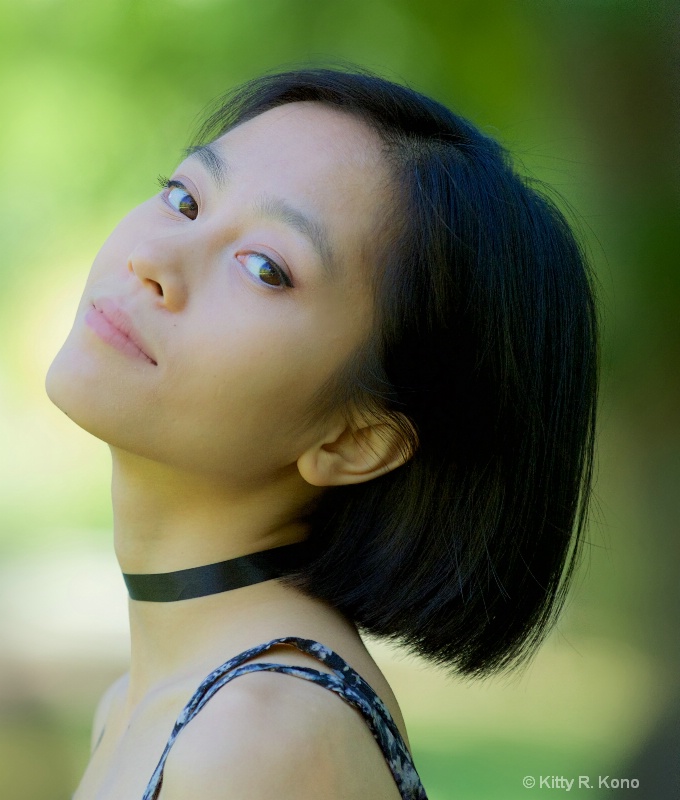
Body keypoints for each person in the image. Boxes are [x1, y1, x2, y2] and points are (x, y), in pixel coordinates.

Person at [45, 66, 598, 800]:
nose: (152, 261)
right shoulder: (146, 704)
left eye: (266, 267)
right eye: (185, 199)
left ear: (354, 440)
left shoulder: (257, 739)